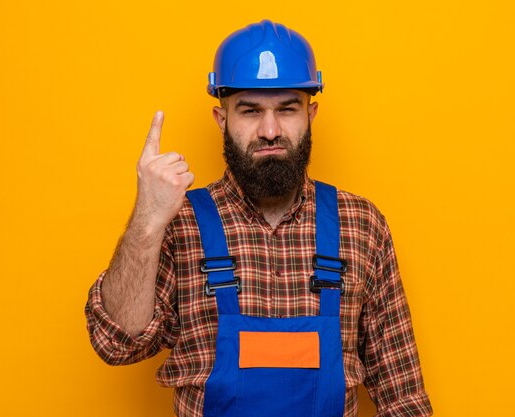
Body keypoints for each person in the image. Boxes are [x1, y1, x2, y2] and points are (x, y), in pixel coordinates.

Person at [85, 20, 433, 417]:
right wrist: (147, 219)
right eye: (250, 111)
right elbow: (116, 343)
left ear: (311, 114)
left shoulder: (360, 224)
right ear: (221, 119)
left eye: (287, 109)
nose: (270, 130)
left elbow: (403, 398)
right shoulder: (179, 224)